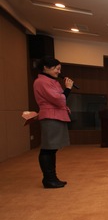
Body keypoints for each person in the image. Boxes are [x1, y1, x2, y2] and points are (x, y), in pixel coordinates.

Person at [33, 57, 74, 188]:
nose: (59, 71)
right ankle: (49, 179)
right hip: (51, 117)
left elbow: (59, 100)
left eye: (59, 69)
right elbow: (59, 99)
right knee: (48, 149)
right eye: (57, 68)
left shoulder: (51, 81)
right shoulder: (41, 82)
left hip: (56, 116)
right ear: (45, 67)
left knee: (52, 149)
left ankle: (52, 177)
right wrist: (68, 88)